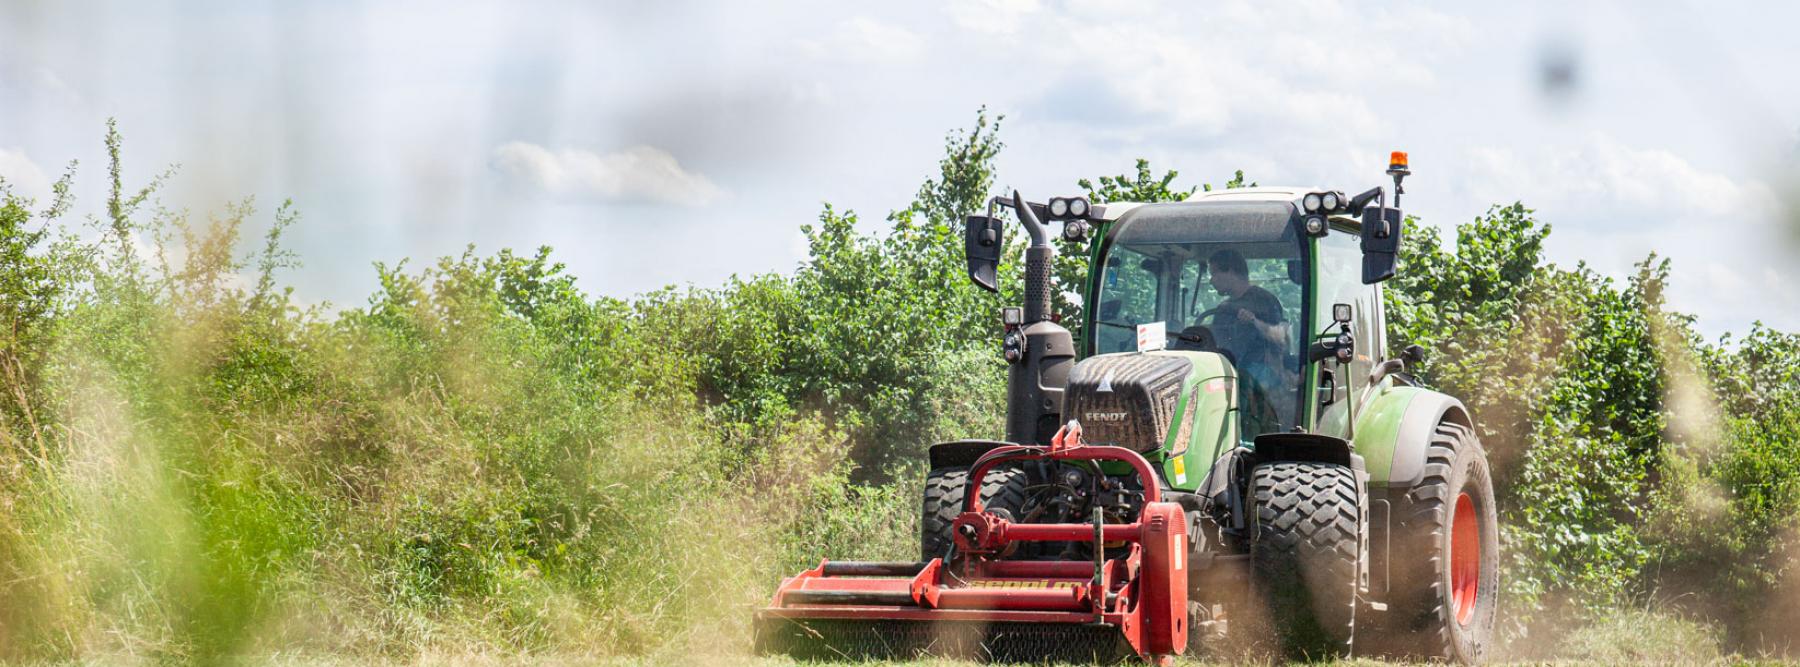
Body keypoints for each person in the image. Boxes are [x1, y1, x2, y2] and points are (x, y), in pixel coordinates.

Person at [1204, 249, 1294, 430]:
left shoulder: (1264, 301)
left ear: (1230, 271)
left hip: (1263, 377)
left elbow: (1282, 339)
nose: (1211, 279)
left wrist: (1254, 321)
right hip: (1229, 372)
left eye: (1214, 273)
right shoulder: (1223, 309)